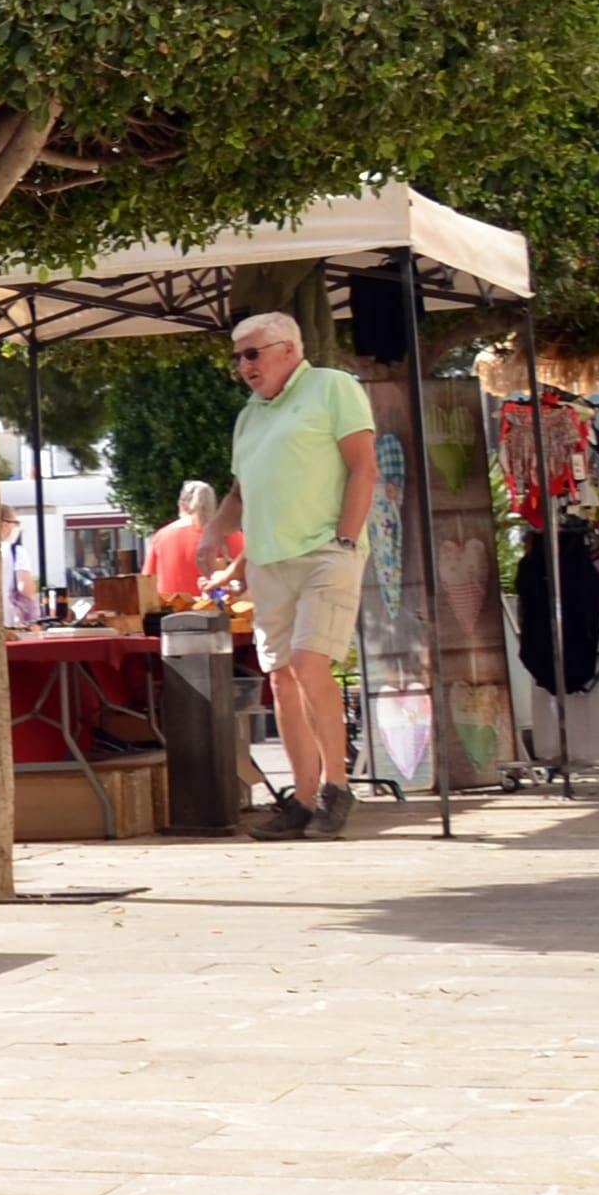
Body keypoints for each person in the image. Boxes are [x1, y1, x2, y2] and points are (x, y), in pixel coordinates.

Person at [226, 309, 379, 837]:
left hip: (324, 552)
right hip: (270, 562)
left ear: (290, 350)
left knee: (310, 663)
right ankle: (304, 798)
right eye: (238, 356)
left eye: (253, 353)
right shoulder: (249, 415)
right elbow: (243, 493)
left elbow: (364, 464)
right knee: (283, 677)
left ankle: (337, 787)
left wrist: (345, 538)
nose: (244, 365)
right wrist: (212, 538)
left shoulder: (332, 387)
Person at [142, 481, 229, 615]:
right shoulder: (231, 536)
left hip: (173, 618)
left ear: (182, 504)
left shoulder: (161, 537)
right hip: (225, 617)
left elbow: (146, 584)